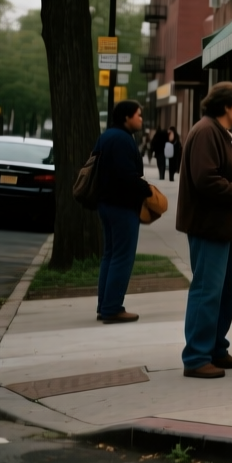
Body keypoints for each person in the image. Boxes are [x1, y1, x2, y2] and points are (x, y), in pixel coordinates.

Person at [176, 82, 232, 380]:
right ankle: (197, 357)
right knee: (207, 291)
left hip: (228, 227)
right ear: (226, 106)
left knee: (226, 291)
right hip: (209, 226)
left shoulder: (222, 133)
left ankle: (215, 348)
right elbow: (205, 179)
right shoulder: (206, 132)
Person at [93, 100, 152, 324]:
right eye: (138, 115)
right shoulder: (121, 139)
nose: (141, 119)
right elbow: (126, 175)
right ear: (126, 117)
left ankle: (105, 305)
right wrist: (146, 189)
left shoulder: (107, 136)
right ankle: (112, 308)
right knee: (122, 257)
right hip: (122, 205)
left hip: (107, 204)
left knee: (110, 255)